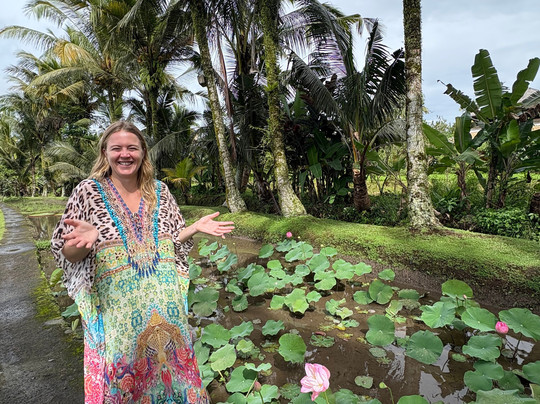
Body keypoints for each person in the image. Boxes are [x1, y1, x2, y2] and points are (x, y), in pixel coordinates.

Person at [51, 121, 234, 403]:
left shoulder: (160, 191)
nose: (125, 154)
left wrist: (194, 228)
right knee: (125, 383)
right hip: (118, 317)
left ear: (143, 152)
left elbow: (172, 241)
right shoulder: (88, 191)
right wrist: (83, 242)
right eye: (117, 148)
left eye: (132, 148)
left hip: (166, 311)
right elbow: (66, 253)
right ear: (105, 152)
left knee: (175, 379)